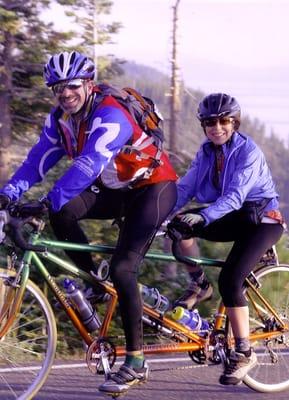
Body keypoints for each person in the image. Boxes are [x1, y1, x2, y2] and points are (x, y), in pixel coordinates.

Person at [0, 51, 178, 395]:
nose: (64, 94)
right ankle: (94, 281)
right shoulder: (61, 119)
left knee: (124, 269)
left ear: (88, 84)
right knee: (62, 211)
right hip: (116, 189)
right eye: (57, 88)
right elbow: (36, 160)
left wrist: (46, 199)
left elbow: (89, 163)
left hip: (152, 188)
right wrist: (8, 193)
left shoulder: (111, 112)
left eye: (71, 86)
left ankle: (137, 362)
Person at [168, 93, 285, 385]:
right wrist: (160, 215)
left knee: (231, 281)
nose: (216, 127)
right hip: (232, 217)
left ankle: (244, 351)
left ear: (234, 122)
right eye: (209, 122)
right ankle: (199, 284)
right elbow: (185, 188)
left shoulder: (249, 152)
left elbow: (234, 197)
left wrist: (205, 217)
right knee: (181, 229)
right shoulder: (206, 151)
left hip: (261, 221)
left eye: (223, 121)